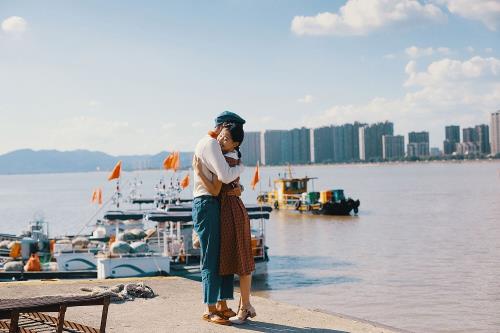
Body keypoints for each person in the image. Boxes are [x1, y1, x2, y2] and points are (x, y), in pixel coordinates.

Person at [194, 122, 256, 324]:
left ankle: (220, 305)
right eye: (221, 134)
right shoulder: (219, 152)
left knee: (223, 256)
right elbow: (218, 188)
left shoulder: (228, 159)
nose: (221, 139)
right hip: (215, 204)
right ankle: (212, 307)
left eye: (226, 137)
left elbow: (221, 186)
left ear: (235, 143)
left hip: (222, 206)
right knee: (215, 256)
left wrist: (199, 172)